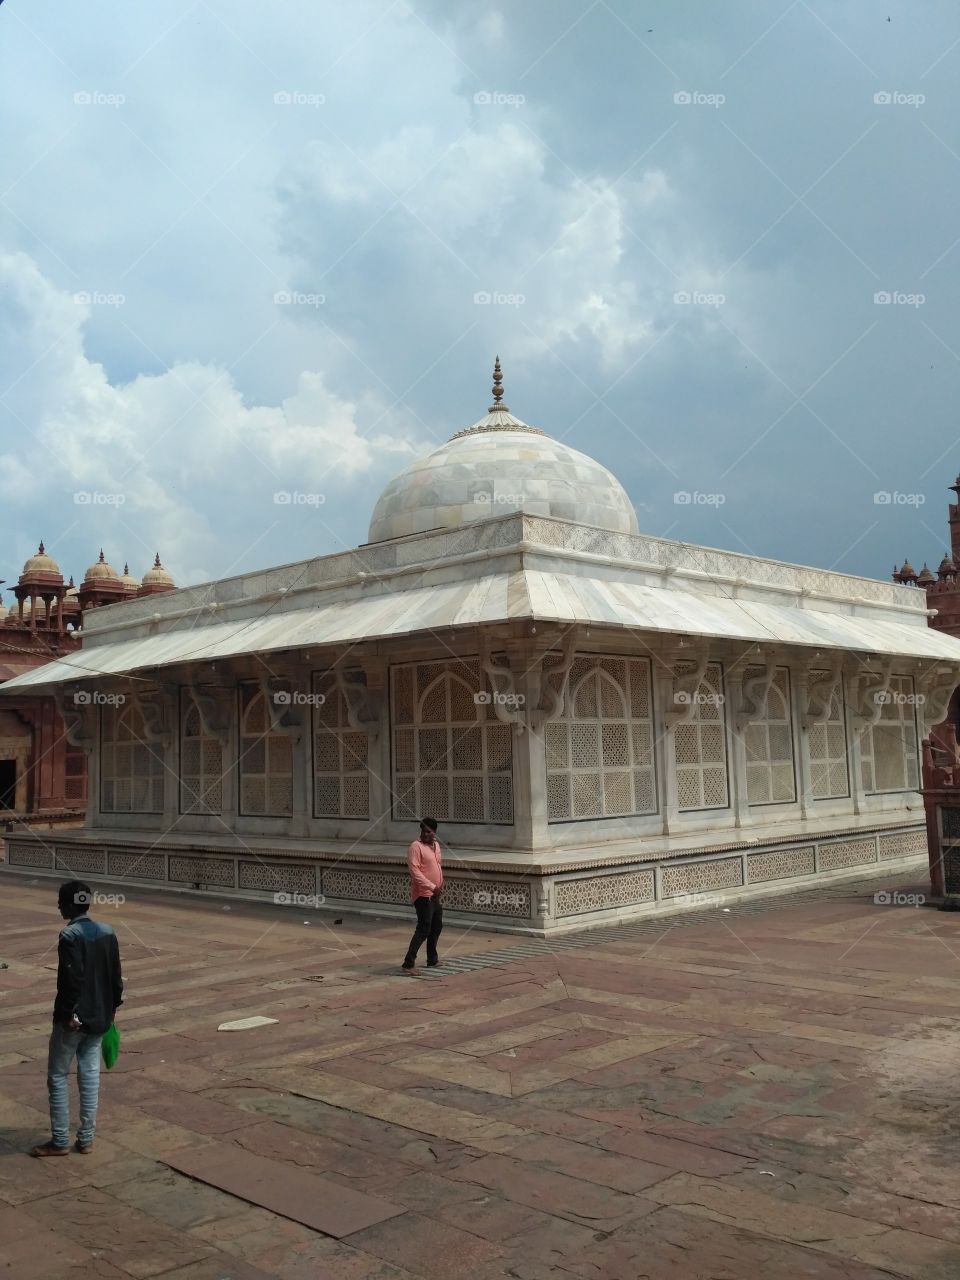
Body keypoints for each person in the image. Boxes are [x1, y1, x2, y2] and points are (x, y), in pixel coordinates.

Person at [31, 880, 123, 1156]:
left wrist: (68, 1013)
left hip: (74, 1019)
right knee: (90, 1074)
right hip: (99, 1017)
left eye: (62, 901)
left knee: (58, 1075)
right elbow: (115, 979)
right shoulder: (108, 932)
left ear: (72, 904)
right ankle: (86, 1138)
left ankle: (60, 1140)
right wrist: (112, 1009)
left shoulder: (69, 935)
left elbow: (71, 979)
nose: (59, 906)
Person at [401, 817, 443, 971]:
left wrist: (438, 886)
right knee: (424, 929)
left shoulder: (436, 846)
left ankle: (432, 959)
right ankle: (408, 963)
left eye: (428, 831)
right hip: (423, 895)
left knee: (436, 926)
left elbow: (437, 866)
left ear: (434, 832)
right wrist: (432, 886)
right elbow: (415, 872)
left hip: (434, 895)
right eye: (423, 831)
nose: (425, 834)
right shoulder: (415, 847)